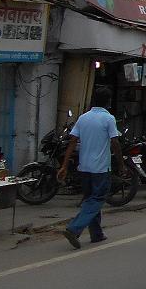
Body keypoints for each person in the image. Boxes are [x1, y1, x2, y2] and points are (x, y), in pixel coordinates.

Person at [58, 85, 125, 249]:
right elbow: (115, 142)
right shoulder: (108, 118)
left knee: (90, 200)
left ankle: (96, 234)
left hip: (84, 167)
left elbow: (72, 142)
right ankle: (74, 228)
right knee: (97, 200)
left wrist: (64, 166)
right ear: (109, 102)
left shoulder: (83, 118)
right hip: (100, 168)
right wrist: (121, 164)